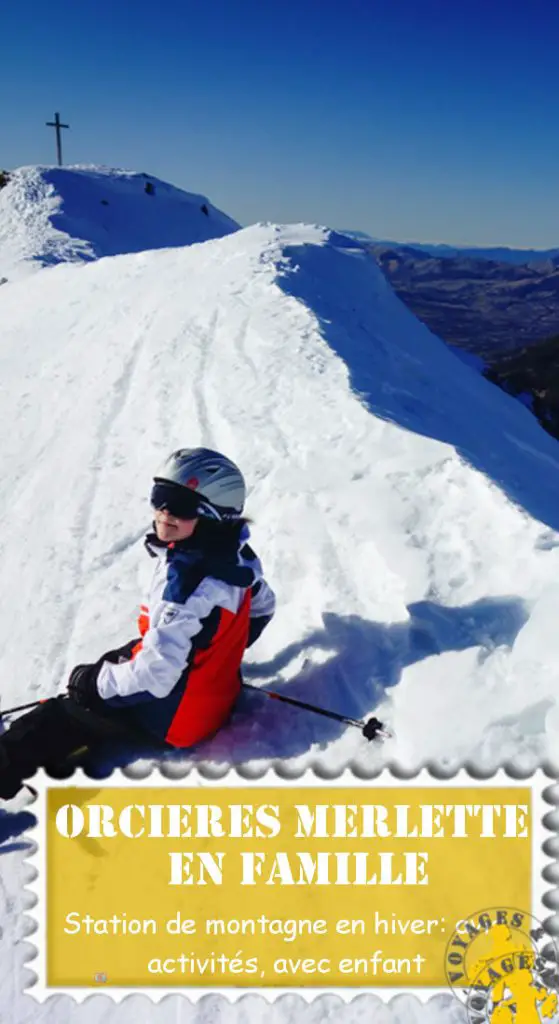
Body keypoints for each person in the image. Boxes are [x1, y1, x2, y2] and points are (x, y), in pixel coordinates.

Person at [0, 448, 276, 799]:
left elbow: (155, 676)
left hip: (178, 720)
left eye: (179, 505)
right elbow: (263, 605)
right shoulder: (238, 558)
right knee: (118, 662)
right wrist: (219, 655)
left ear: (212, 515)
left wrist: (93, 685)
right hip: (217, 696)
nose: (163, 512)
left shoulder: (185, 585)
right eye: (159, 498)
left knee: (69, 710)